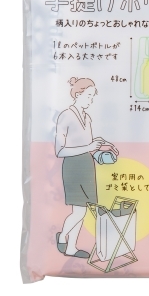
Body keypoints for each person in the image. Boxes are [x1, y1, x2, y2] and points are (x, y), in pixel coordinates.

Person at [54, 77, 117, 258]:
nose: (91, 100)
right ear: (78, 94)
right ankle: (63, 237)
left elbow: (87, 144)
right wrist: (89, 147)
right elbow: (60, 150)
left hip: (87, 165)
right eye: (89, 96)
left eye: (92, 96)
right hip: (73, 166)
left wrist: (101, 145)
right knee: (80, 211)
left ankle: (71, 247)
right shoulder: (66, 116)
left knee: (81, 209)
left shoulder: (87, 117)